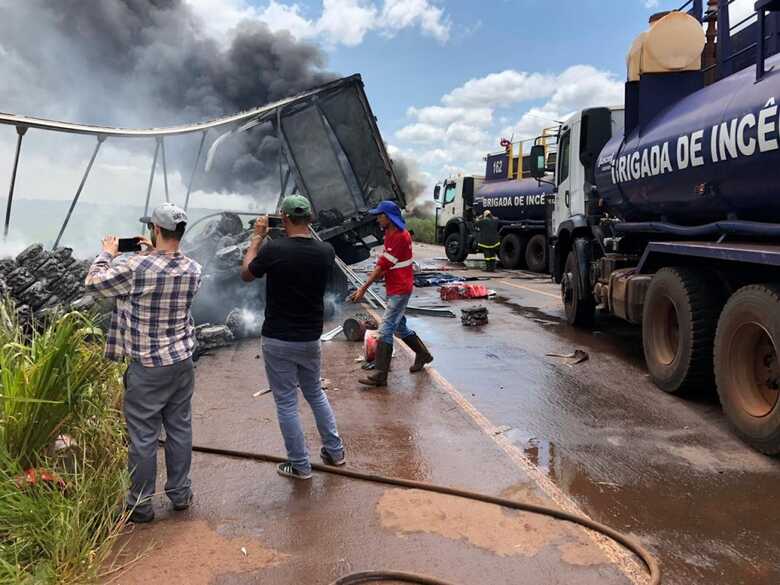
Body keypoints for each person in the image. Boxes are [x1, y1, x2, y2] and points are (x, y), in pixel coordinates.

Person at [85, 203, 202, 523]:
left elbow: (94, 283)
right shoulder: (193, 268)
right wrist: (153, 251)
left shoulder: (136, 267)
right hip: (181, 362)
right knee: (179, 428)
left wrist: (107, 252)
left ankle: (140, 505)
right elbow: (169, 270)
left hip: (148, 366)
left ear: (156, 230)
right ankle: (180, 494)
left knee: (143, 436)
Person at [240, 195, 345, 480]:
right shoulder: (326, 251)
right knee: (314, 393)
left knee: (286, 402)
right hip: (311, 337)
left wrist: (257, 238)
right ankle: (335, 452)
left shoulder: (274, 249)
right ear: (310, 219)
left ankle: (300, 465)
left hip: (278, 338)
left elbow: (247, 274)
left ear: (283, 218)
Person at [350, 200, 433, 386]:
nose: (378, 219)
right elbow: (387, 264)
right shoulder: (390, 233)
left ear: (388, 217)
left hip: (400, 289)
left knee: (386, 329)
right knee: (399, 328)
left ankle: (380, 374)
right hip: (395, 286)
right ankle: (423, 354)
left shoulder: (400, 237)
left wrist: (363, 288)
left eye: (380, 215)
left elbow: (382, 266)